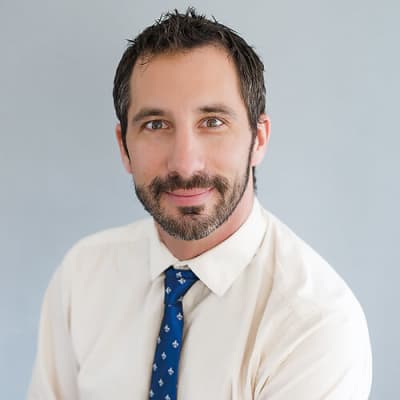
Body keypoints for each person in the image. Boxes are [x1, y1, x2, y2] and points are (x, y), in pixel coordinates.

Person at [28, 8, 372, 400]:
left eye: (212, 122)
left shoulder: (314, 324)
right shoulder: (82, 276)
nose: (185, 163)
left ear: (258, 139)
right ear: (124, 147)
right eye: (156, 125)